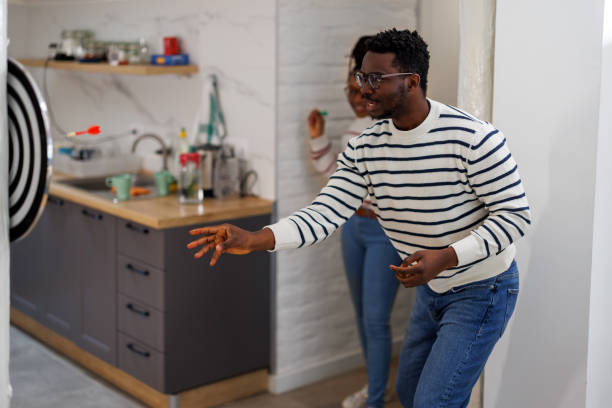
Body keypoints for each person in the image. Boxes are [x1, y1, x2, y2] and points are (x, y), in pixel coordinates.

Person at [187, 28, 531, 408]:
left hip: (483, 288)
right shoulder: (364, 147)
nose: (363, 88)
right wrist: (255, 239)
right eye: (360, 77)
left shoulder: (474, 139)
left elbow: (514, 216)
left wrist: (446, 257)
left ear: (411, 81)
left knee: (435, 401)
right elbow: (327, 211)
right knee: (409, 393)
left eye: (374, 79)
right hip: (433, 292)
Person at [307, 35, 400, 408]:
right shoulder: (352, 127)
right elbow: (336, 182)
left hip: (382, 231)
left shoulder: (391, 124)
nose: (359, 94)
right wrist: (318, 139)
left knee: (376, 320)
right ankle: (374, 388)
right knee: (363, 317)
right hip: (352, 227)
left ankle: (375, 399)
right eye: (353, 86)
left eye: (364, 84)